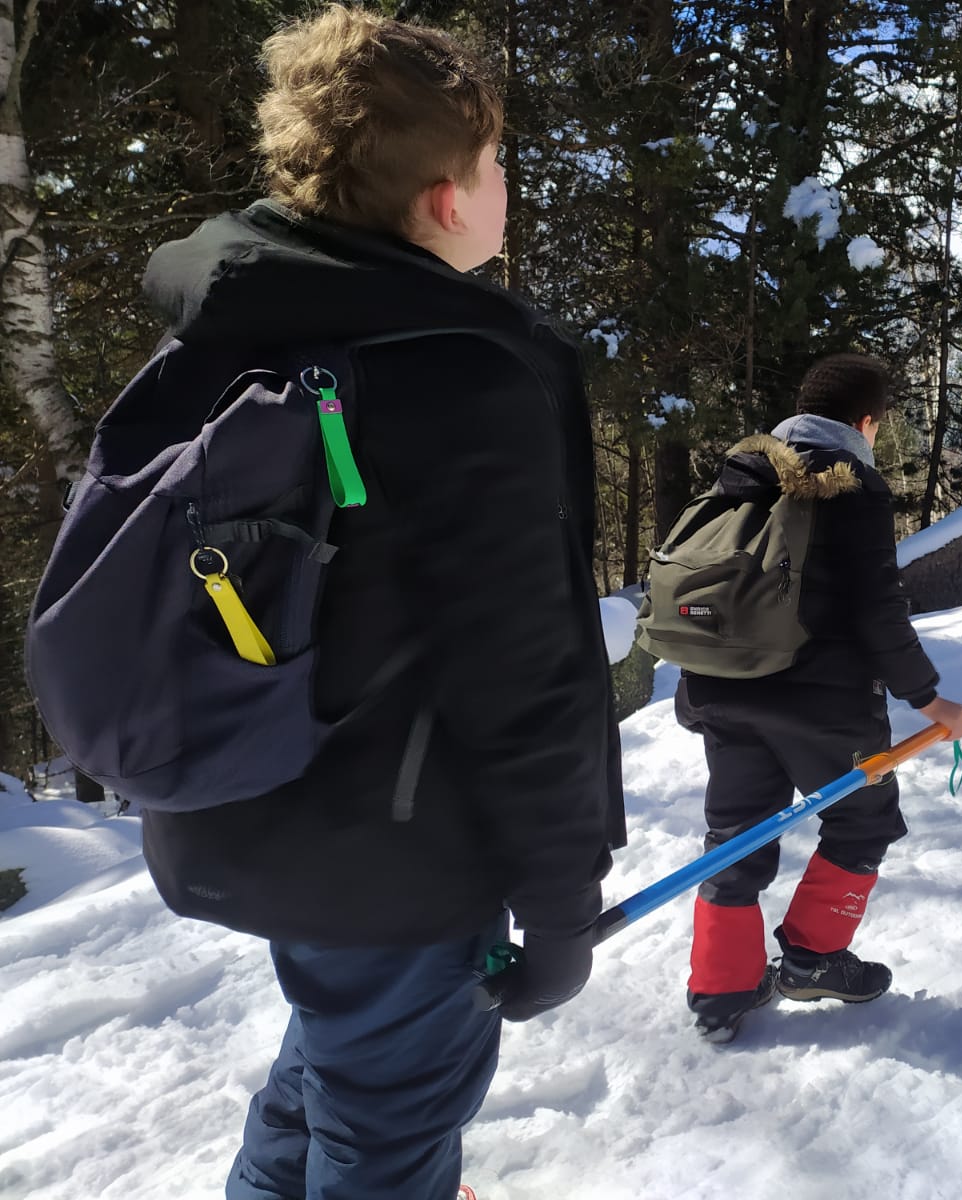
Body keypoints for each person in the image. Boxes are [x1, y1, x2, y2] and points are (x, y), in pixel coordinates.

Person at [132, 8, 623, 1197]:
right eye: (497, 162)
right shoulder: (458, 369)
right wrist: (561, 901)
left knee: (328, 1070)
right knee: (390, 1134)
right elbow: (522, 665)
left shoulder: (226, 322)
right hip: (401, 854)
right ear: (449, 199)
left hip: (242, 804)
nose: (507, 185)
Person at [674, 353, 962, 1042]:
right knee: (863, 820)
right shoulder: (852, 486)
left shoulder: (739, 470)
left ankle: (720, 992)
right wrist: (931, 702)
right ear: (865, 422)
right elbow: (879, 610)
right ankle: (813, 958)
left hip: (720, 684)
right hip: (820, 700)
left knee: (735, 835)